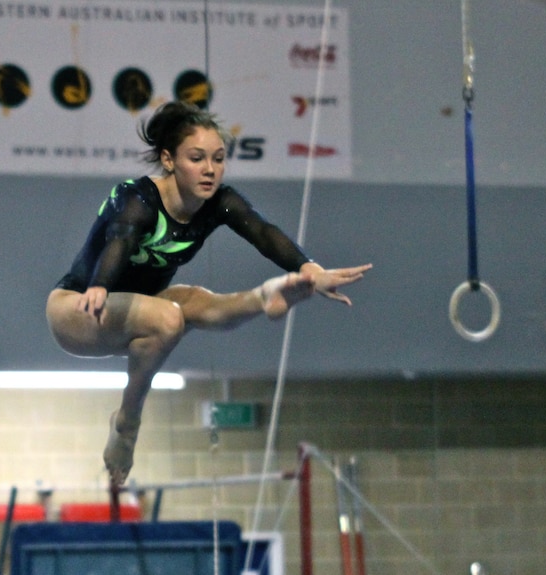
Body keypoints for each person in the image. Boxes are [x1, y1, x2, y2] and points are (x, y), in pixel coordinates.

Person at [46, 101, 371, 485]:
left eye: (218, 159)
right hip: (79, 311)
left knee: (194, 300)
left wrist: (308, 269)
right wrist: (100, 284)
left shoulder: (218, 203)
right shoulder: (138, 199)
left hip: (139, 314)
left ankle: (265, 296)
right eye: (196, 158)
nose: (210, 169)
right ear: (168, 160)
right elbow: (122, 237)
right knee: (169, 317)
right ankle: (127, 422)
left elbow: (263, 232)